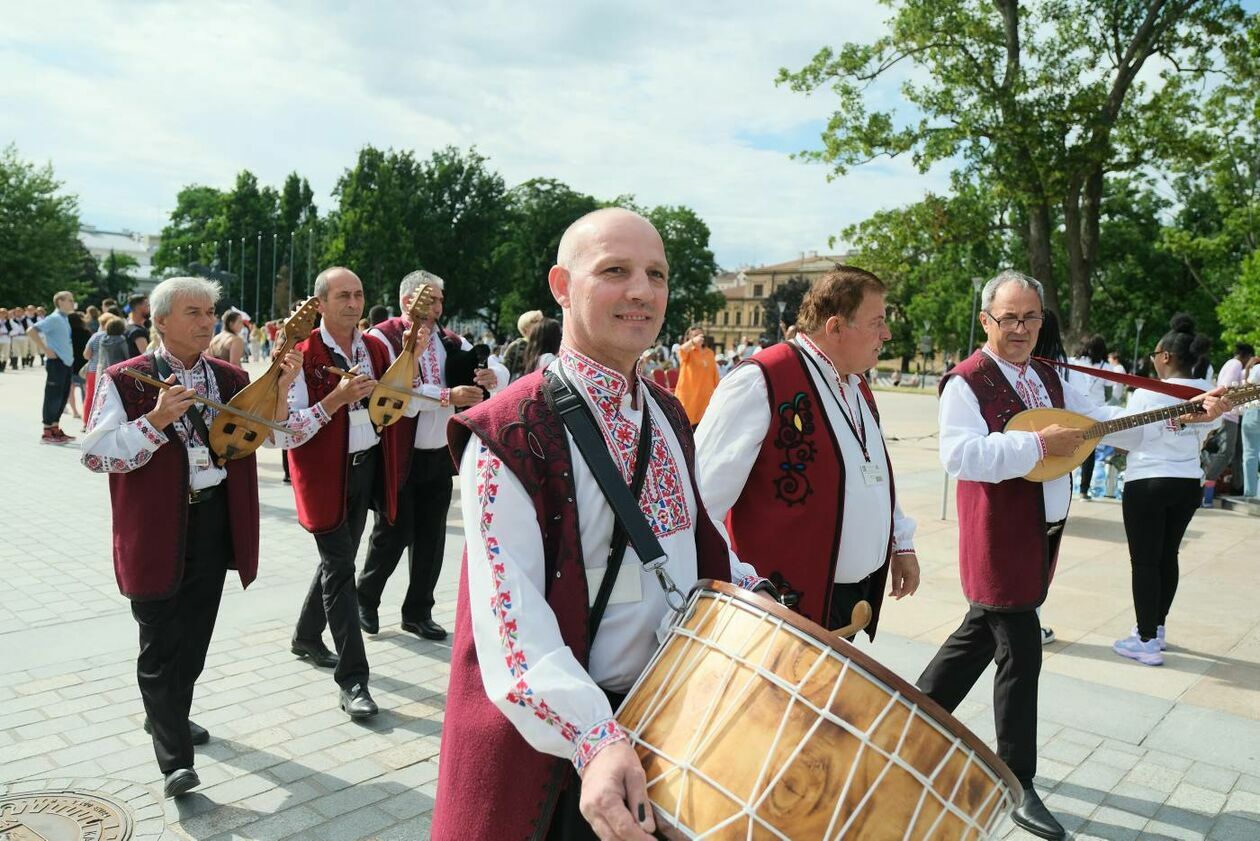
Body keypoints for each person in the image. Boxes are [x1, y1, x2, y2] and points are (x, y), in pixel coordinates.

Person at [430, 208, 768, 841]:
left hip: (672, 723)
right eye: (615, 271)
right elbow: (510, 624)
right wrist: (593, 734)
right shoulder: (509, 432)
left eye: (656, 274)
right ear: (562, 286)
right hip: (569, 751)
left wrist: (760, 600)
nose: (642, 290)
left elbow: (698, 539)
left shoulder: (667, 412)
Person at [918, 270, 1228, 840]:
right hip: (998, 531)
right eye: (1008, 317)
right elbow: (960, 457)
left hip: (1044, 528)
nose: (1019, 328)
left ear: (1042, 320)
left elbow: (1115, 431)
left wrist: (1182, 415)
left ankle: (904, 724)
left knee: (979, 636)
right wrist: (1038, 444)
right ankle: (1018, 782)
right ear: (986, 320)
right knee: (1020, 650)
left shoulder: (1051, 376)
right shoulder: (965, 381)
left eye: (1030, 317)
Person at [80, 276, 302, 798]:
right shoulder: (126, 380)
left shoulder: (230, 376)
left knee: (196, 636)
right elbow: (95, 453)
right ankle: (175, 759)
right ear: (159, 322)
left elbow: (275, 434)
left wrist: (283, 387)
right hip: (154, 525)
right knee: (160, 639)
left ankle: (167, 714)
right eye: (193, 313)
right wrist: (155, 421)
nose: (206, 322)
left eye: (210, 312)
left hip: (212, 521)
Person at [696, 267, 919, 640]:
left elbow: (873, 467)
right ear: (835, 327)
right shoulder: (762, 379)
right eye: (877, 322)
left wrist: (900, 541)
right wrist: (749, 587)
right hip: (781, 609)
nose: (887, 334)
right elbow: (700, 505)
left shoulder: (856, 384)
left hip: (846, 602)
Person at [272, 267, 417, 718]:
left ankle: (306, 636)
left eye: (358, 295)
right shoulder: (301, 353)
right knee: (341, 572)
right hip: (324, 476)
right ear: (320, 304)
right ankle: (354, 681)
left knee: (340, 562)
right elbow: (283, 431)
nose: (353, 304)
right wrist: (334, 400)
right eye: (343, 296)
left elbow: (397, 403)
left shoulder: (375, 347)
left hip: (366, 466)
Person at [359, 271, 509, 641]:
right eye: (432, 299)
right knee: (393, 531)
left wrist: (491, 376)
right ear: (409, 300)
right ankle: (364, 599)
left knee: (432, 536)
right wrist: (447, 397)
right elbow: (391, 391)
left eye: (441, 300)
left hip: (439, 452)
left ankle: (418, 611)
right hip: (398, 452)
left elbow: (490, 366)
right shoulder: (383, 337)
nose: (438, 308)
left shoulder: (447, 339)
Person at [1112, 316, 1219, 666]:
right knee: (1167, 556)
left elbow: (1130, 439)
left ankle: (1144, 640)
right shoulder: (1209, 392)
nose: (1152, 359)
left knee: (1144, 561)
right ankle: (1155, 628)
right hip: (1187, 482)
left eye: (1155, 353)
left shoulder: (1145, 394)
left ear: (1168, 356)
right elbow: (1207, 432)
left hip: (1148, 481)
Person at [27, 292, 78, 444]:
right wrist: (45, 350)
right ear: (60, 302)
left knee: (62, 397)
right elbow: (31, 331)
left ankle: (55, 428)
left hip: (66, 363)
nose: (72, 303)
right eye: (70, 300)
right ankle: (47, 432)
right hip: (57, 363)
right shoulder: (54, 318)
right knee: (53, 396)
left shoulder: (64, 318)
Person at [1203, 342, 1253, 496]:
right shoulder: (1236, 364)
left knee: (1237, 453)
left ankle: (1237, 487)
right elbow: (1228, 388)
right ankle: (1205, 482)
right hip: (1228, 415)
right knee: (1226, 452)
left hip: (1233, 416)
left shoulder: (1230, 364)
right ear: (1245, 355)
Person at [1068, 334, 1109, 499]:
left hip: (1076, 409)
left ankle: (1067, 487)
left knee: (1067, 447)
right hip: (1096, 412)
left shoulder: (1076, 362)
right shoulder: (1107, 367)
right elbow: (1112, 392)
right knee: (1089, 451)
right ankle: (1084, 490)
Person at [674, 325, 720, 427]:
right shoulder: (687, 352)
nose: (699, 337)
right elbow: (681, 350)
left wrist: (719, 392)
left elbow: (715, 375)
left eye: (701, 335)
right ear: (690, 338)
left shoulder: (710, 353)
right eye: (695, 335)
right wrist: (693, 342)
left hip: (705, 400)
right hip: (689, 399)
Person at [67, 310, 92, 422]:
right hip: (83, 364)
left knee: (70, 389)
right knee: (84, 390)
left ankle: (75, 411)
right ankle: (85, 412)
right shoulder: (86, 332)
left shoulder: (67, 333)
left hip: (70, 363)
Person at [1241, 356, 1260, 498]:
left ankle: (1250, 493)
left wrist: (1248, 369)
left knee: (1250, 453)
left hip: (1254, 409)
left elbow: (1247, 388)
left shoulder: (1258, 368)